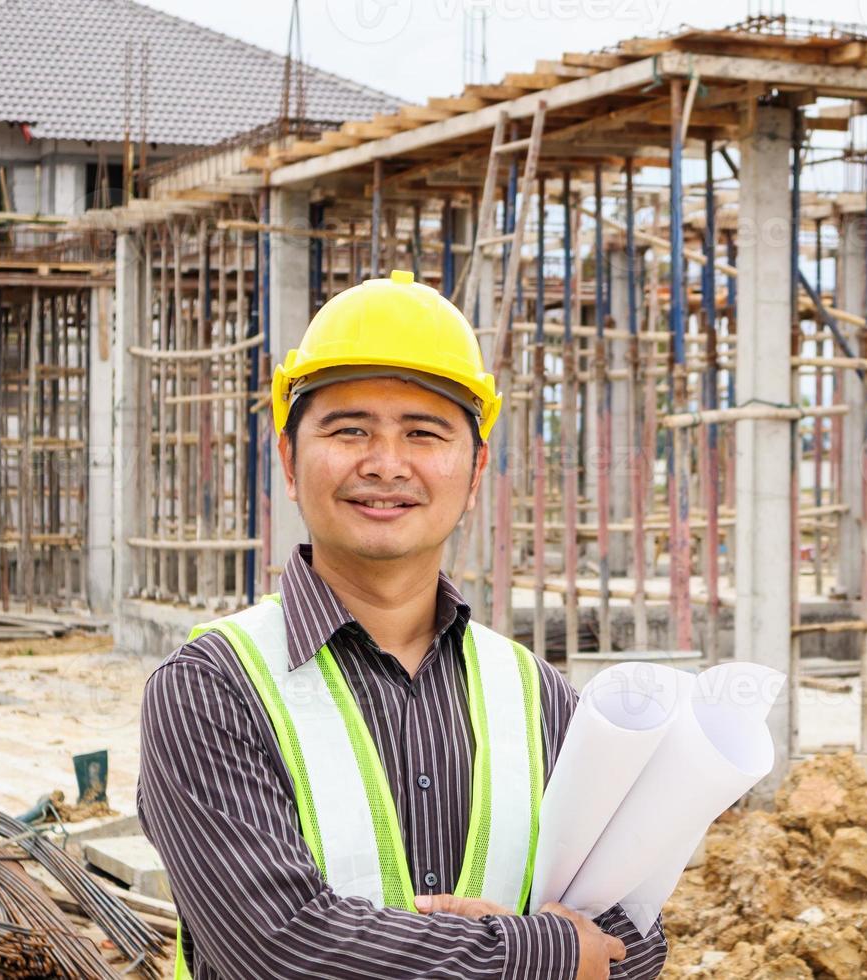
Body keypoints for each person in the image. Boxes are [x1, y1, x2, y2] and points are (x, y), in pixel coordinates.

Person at [138, 270, 668, 979]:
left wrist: (559, 951)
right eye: (349, 429)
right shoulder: (211, 689)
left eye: (423, 433)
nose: (386, 464)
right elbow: (279, 950)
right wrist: (531, 952)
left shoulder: (536, 695)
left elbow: (634, 935)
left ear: (474, 471)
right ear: (290, 460)